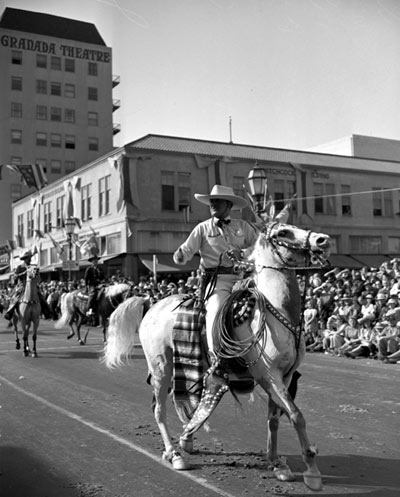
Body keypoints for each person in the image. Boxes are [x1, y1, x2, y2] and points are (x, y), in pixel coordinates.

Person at [173, 184, 257, 357]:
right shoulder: (202, 228)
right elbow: (185, 252)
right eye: (212, 201)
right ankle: (216, 356)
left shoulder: (244, 226)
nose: (213, 204)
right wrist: (180, 255)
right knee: (216, 309)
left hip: (245, 279)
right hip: (217, 281)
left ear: (229, 205)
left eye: (217, 201)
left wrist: (242, 253)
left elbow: (259, 248)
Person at [4, 249, 50, 320]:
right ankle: (10, 312)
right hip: (22, 286)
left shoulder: (33, 266)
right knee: (15, 298)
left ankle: (47, 312)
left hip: (32, 286)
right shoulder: (19, 267)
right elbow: (15, 276)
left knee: (41, 297)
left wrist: (37, 274)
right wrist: (24, 273)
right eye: (29, 258)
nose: (30, 259)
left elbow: (38, 277)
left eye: (30, 257)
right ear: (25, 259)